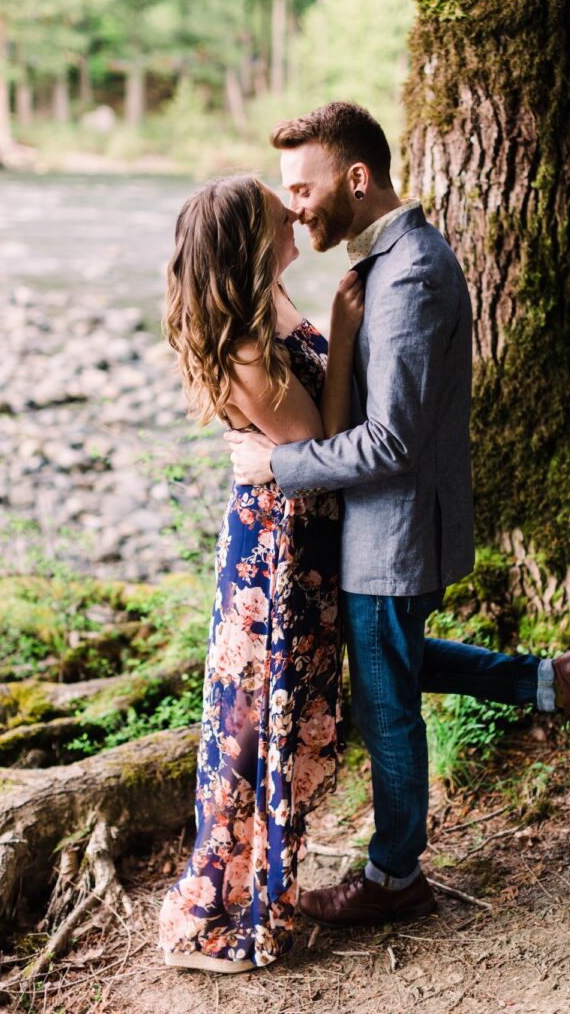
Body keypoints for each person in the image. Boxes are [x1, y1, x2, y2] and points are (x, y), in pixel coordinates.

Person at [225, 101, 570, 929]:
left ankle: (394, 876)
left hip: (394, 530)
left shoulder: (411, 272)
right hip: (384, 526)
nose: (297, 206)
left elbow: (391, 445)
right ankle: (552, 679)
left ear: (357, 177)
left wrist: (279, 464)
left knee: (387, 705)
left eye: (304, 189)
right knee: (395, 662)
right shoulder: (384, 266)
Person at [158, 175, 364, 971]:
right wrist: (342, 334)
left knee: (272, 726)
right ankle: (212, 915)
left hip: (298, 543)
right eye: (280, 213)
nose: (295, 211)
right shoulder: (244, 345)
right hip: (275, 557)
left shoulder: (270, 304)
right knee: (251, 733)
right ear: (251, 239)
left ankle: (256, 890)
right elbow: (322, 450)